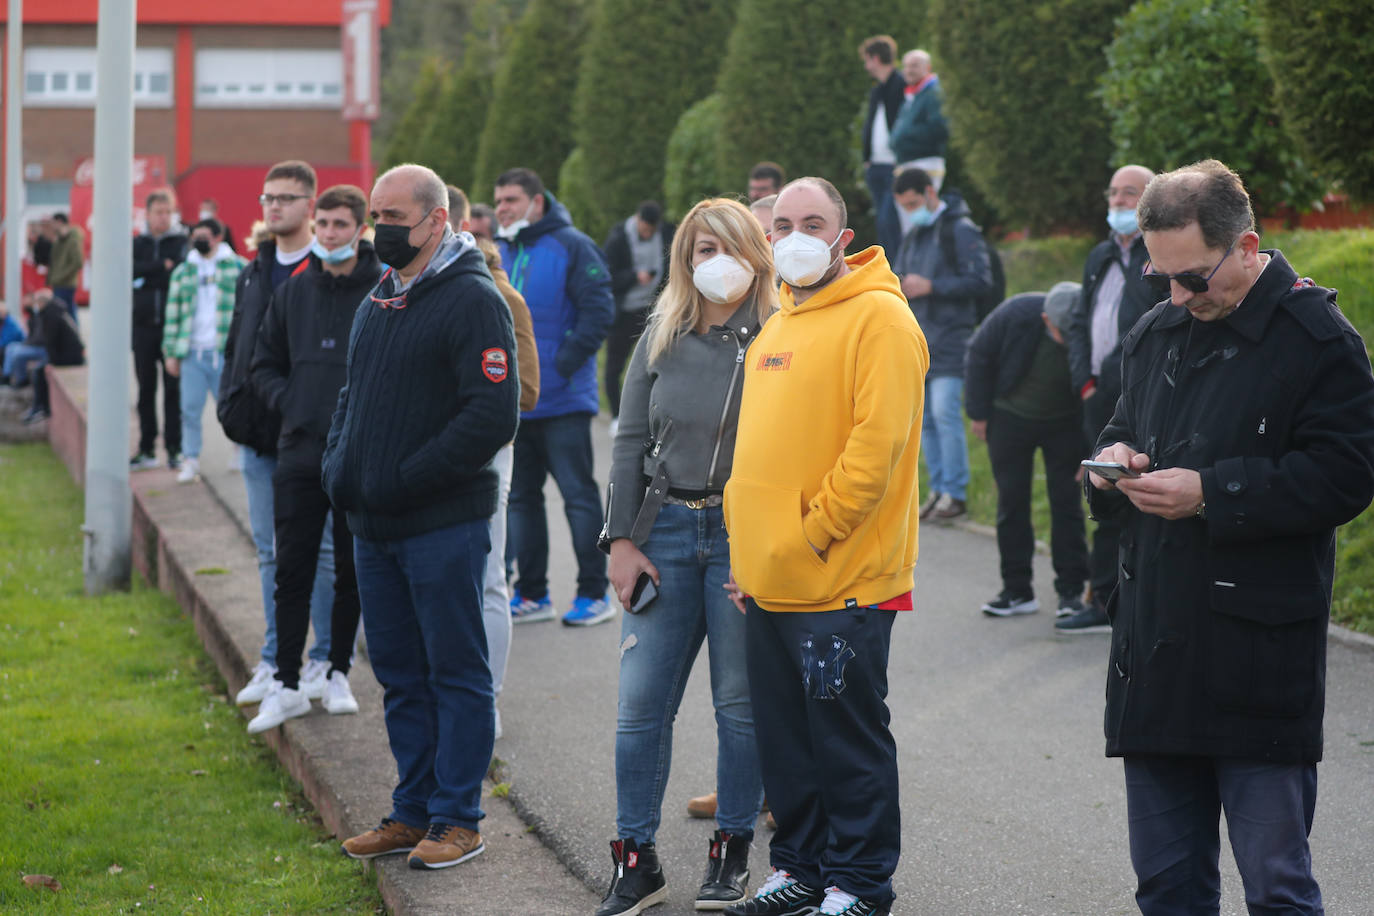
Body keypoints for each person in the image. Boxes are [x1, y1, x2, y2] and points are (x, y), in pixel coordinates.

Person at [1085, 159, 1374, 915]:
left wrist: (1212, 493)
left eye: (1193, 279)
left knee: (1277, 887)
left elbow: (1346, 477)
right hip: (1153, 655)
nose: (1177, 295)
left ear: (1246, 247)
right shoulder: (1158, 330)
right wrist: (1112, 463)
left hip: (1255, 662)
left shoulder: (1318, 339)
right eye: (1162, 278)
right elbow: (1121, 427)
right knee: (1167, 889)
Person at [723, 177, 926, 916]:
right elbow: (757, 455)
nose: (796, 234)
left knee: (846, 741)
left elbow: (875, 454)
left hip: (844, 580)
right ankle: (802, 868)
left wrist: (806, 536)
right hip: (772, 578)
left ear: (844, 237)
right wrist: (755, 554)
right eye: (783, 223)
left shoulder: (881, 320)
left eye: (814, 221)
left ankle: (861, 883)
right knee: (788, 741)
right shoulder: (777, 323)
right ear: (767, 237)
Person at [327, 163, 518, 870]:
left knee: (456, 671)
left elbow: (491, 414)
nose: (382, 230)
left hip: (441, 525)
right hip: (376, 527)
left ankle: (457, 817)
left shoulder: (473, 300)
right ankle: (412, 811)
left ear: (437, 220)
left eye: (394, 218)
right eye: (376, 216)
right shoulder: (379, 298)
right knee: (401, 675)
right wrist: (340, 469)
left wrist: (407, 479)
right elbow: (352, 397)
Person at [596, 199, 774, 916]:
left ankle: (731, 853)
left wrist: (770, 553)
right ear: (684, 258)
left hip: (742, 538)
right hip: (664, 532)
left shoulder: (780, 335)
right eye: (701, 248)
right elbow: (629, 441)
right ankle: (635, 861)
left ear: (756, 253)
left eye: (728, 246)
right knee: (640, 707)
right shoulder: (660, 333)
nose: (714, 260)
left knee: (738, 706)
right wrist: (621, 540)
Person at [244, 185, 379, 733]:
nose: (327, 234)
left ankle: (337, 671)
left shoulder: (383, 291)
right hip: (298, 451)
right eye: (322, 224)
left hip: (356, 454)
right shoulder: (294, 292)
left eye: (339, 225)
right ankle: (286, 682)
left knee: (351, 570)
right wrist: (291, 404)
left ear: (359, 228)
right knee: (291, 568)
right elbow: (262, 364)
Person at [219, 160, 336, 706]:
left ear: (310, 205)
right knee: (269, 552)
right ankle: (273, 660)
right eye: (268, 197)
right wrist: (230, 399)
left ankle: (323, 661)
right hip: (257, 433)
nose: (274, 207)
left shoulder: (328, 268)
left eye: (286, 198)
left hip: (310, 437)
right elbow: (239, 346)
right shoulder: (254, 269)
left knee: (323, 552)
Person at [493, 167, 615, 627]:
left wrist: (559, 368)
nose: (502, 207)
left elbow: (599, 310)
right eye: (498, 200)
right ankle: (532, 593)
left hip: (564, 401)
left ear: (536, 202)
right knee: (522, 499)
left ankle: (594, 594)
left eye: (510, 199)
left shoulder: (573, 245)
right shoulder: (500, 251)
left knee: (578, 497)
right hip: (517, 403)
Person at [450, 181, 542, 740]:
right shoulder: (410, 288)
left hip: (486, 458)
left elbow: (525, 390)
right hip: (430, 462)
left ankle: (487, 699)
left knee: (486, 580)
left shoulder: (502, 296)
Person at [1059, 164, 1156, 634]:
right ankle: (1101, 598)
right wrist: (1086, 383)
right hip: (1098, 394)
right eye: (1114, 193)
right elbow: (1080, 321)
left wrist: (1118, 381)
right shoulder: (1099, 255)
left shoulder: (1156, 253)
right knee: (1102, 491)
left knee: (1138, 493)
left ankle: (1135, 599)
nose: (1118, 202)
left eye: (1129, 194)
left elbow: (1148, 325)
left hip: (1139, 391)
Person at [964, 282, 1089, 618]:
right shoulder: (1016, 313)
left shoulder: (1087, 321)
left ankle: (1071, 592)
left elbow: (1103, 385)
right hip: (1010, 417)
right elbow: (979, 354)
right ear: (1047, 319)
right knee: (1011, 501)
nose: (1069, 338)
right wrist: (978, 413)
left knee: (1066, 503)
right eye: (1061, 331)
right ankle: (1017, 590)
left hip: (1065, 424)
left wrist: (1094, 443)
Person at [892, 167, 993, 522]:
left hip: (952, 337)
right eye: (905, 206)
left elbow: (981, 280)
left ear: (931, 193)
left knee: (944, 414)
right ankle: (938, 490)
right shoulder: (915, 232)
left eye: (915, 202)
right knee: (926, 421)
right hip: (920, 339)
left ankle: (956, 493)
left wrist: (932, 286)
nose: (911, 210)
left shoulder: (960, 229)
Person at [162, 217, 243, 483]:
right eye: (195, 236)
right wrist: (170, 352)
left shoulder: (239, 267)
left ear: (218, 237)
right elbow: (172, 314)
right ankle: (191, 459)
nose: (199, 241)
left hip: (224, 352)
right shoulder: (183, 272)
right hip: (192, 353)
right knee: (189, 409)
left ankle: (240, 449)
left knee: (231, 408)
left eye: (204, 236)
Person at [602, 201, 676, 431]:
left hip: (652, 310)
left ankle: (654, 416)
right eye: (645, 230)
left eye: (651, 231)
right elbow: (608, 277)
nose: (648, 234)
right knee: (615, 366)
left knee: (658, 363)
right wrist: (634, 276)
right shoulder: (618, 239)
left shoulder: (666, 234)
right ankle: (616, 416)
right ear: (637, 220)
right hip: (623, 311)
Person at [130, 189, 188, 471]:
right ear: (148, 213)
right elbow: (129, 270)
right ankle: (146, 448)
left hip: (172, 329)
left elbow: (179, 272)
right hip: (142, 329)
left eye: (168, 212)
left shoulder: (182, 242)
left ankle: (175, 448)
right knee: (145, 391)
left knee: (173, 392)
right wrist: (158, 267)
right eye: (158, 212)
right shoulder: (137, 242)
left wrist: (147, 273)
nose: (163, 217)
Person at [859, 35, 906, 256]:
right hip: (876, 165)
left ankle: (898, 271)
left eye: (867, 60)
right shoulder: (878, 89)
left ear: (875, 58)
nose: (866, 66)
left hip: (894, 164)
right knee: (882, 223)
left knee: (891, 220)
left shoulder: (900, 84)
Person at [16, 287, 84, 424]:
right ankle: (39, 407)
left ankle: (40, 408)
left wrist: (52, 362)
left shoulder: (50, 315)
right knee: (38, 370)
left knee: (38, 371)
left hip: (69, 356)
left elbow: (51, 341)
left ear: (41, 303)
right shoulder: (55, 311)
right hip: (69, 354)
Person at [889, 50, 948, 192]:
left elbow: (940, 127)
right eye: (906, 66)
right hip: (907, 163)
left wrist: (905, 134)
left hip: (925, 163)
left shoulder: (934, 92)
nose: (908, 70)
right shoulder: (912, 93)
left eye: (914, 66)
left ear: (928, 68)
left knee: (921, 211)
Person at [46, 213, 85, 320]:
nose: (51, 226)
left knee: (65, 314)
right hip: (59, 282)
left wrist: (60, 276)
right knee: (66, 312)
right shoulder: (58, 240)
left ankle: (73, 335)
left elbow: (77, 262)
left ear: (59, 222)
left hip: (66, 283)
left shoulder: (73, 239)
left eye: (53, 223)